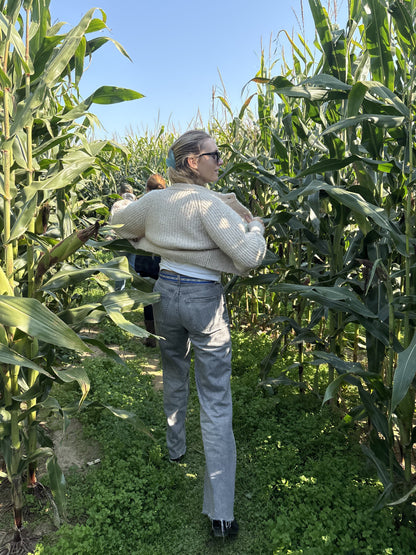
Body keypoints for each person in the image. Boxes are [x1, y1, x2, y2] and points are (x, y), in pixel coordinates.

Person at [111, 130, 266, 539]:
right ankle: (221, 516)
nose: (221, 161)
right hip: (202, 299)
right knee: (215, 397)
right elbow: (248, 257)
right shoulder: (206, 203)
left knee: (173, 369)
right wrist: (258, 227)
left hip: (165, 294)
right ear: (193, 162)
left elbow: (120, 219)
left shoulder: (159, 200)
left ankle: (175, 448)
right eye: (215, 155)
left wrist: (124, 201)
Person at [134, 174, 167, 347]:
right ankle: (168, 334)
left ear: (147, 189)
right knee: (165, 296)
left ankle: (151, 336)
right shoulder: (170, 203)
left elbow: (132, 230)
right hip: (165, 258)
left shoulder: (142, 204)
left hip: (146, 258)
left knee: (148, 298)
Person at [110, 182, 137, 291]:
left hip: (119, 241)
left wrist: (109, 239)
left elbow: (111, 223)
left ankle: (119, 292)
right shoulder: (137, 204)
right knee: (134, 269)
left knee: (120, 268)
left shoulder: (116, 205)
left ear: (120, 193)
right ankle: (136, 292)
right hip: (134, 241)